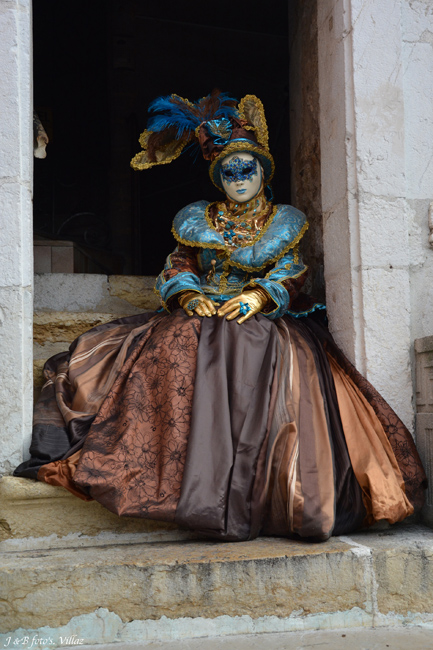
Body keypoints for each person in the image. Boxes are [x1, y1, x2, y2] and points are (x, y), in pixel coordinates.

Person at [15, 92, 426, 542]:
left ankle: (260, 489)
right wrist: (189, 295)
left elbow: (293, 268)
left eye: (246, 169)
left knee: (259, 351)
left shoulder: (282, 221)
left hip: (265, 321)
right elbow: (177, 264)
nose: (238, 179)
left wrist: (259, 297)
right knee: (175, 345)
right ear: (218, 179)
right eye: (228, 173)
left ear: (262, 171)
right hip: (201, 312)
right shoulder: (199, 220)